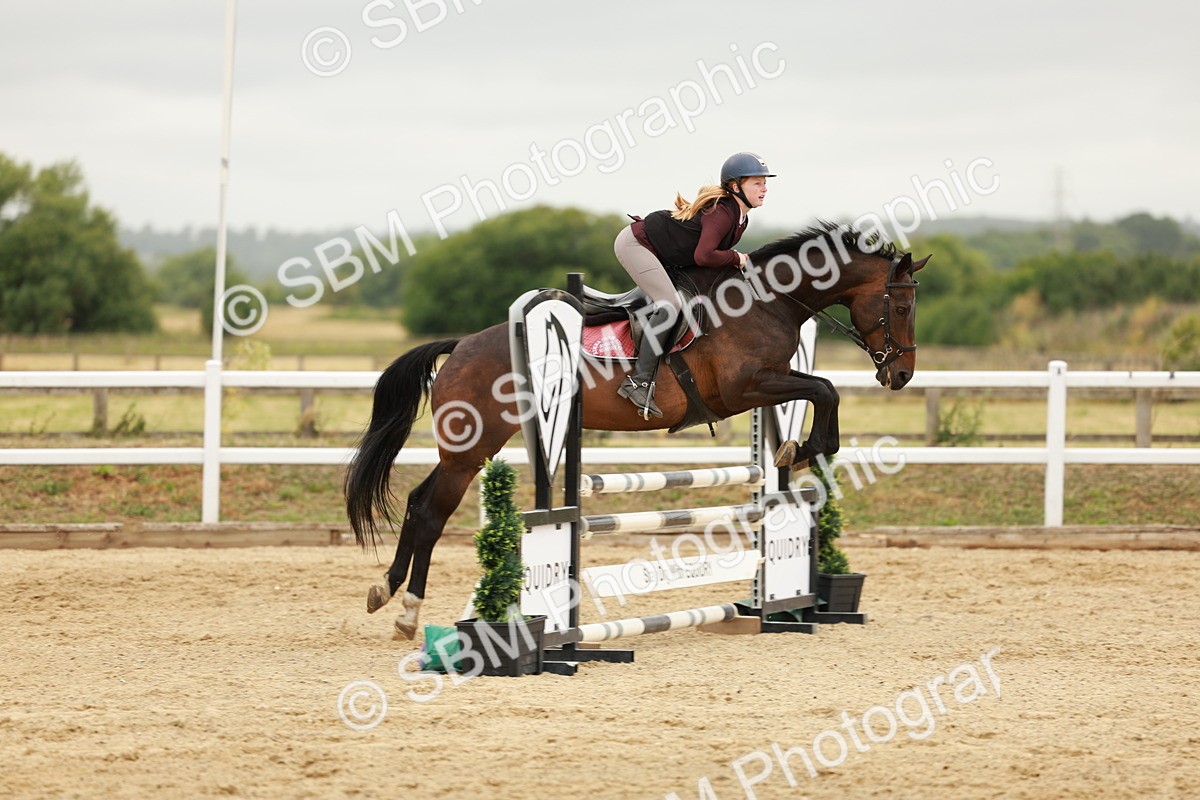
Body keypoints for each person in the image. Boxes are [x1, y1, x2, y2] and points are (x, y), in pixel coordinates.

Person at [613, 151, 774, 419]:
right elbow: (704, 255)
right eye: (757, 182)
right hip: (636, 245)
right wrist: (738, 258)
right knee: (671, 305)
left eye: (765, 182)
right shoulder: (723, 212)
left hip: (661, 254)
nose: (765, 188)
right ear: (735, 187)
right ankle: (638, 382)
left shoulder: (740, 217)